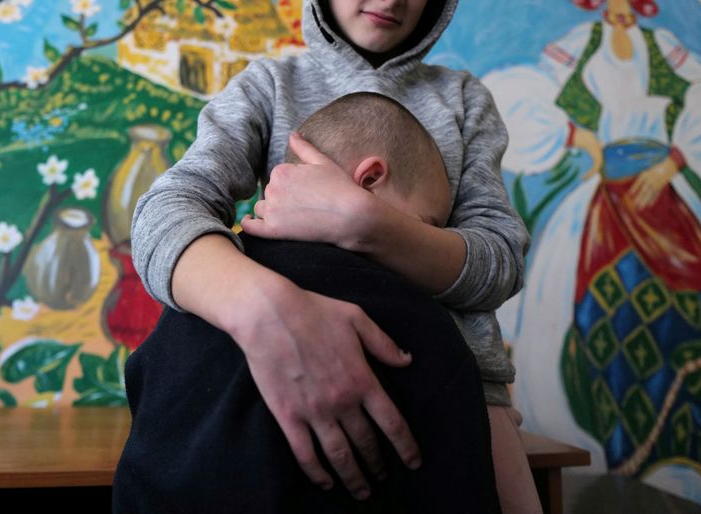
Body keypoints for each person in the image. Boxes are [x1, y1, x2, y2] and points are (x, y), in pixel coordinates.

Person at [131, 0, 532, 509]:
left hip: (461, 389)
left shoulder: (464, 98)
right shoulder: (268, 85)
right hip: (278, 375)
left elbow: (500, 261)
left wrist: (365, 223)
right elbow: (164, 211)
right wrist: (265, 308)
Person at [482, 0, 701, 506]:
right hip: (602, 200)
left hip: (666, 196)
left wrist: (674, 160)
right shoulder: (576, 49)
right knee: (573, 310)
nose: (623, 8)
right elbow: (517, 98)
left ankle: (694, 457)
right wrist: (579, 138)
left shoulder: (665, 49)